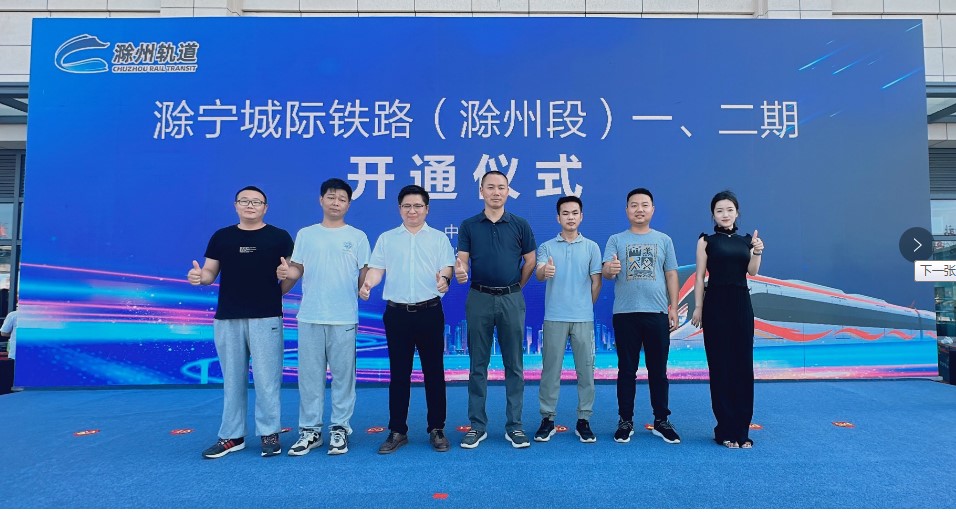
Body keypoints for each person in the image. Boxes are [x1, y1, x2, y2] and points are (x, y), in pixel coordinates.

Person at [188, 186, 294, 459]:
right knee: (232, 380)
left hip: (267, 316)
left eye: (256, 202)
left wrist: (285, 275)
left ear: (265, 208)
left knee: (267, 380)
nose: (250, 205)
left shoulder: (279, 237)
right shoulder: (222, 237)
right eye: (244, 201)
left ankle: (269, 432)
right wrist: (200, 278)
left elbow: (289, 273)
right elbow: (209, 272)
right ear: (235, 205)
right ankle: (232, 436)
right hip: (228, 317)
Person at [277, 178, 370, 456]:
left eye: (342, 199)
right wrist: (286, 274)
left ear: (348, 204)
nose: (336, 203)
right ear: (321, 200)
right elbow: (297, 269)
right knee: (309, 377)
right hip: (310, 316)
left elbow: (365, 272)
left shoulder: (357, 236)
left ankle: (340, 428)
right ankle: (310, 431)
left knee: (343, 377)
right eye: (331, 197)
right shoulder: (307, 234)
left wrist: (365, 287)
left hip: (344, 317)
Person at [360, 185, 455, 454]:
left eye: (417, 206)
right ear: (399, 209)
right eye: (407, 206)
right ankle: (397, 430)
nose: (412, 211)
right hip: (397, 314)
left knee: (434, 372)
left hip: (429, 311)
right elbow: (377, 269)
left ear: (427, 209)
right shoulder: (387, 238)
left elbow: (447, 266)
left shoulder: (438, 238)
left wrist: (444, 279)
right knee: (399, 373)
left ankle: (437, 428)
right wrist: (369, 283)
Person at [455, 170, 537, 449]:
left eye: (501, 187)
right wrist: (461, 271)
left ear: (508, 191)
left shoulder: (520, 224)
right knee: (478, 365)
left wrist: (515, 287)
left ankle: (515, 426)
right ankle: (477, 426)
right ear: (481, 191)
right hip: (479, 297)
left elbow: (530, 261)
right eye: (490, 187)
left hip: (511, 299)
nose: (496, 192)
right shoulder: (469, 225)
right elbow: (462, 260)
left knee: (514, 365)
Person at [602, 187, 682, 444]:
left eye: (644, 205)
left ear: (652, 209)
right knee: (627, 370)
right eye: (634, 205)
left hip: (657, 313)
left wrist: (673, 307)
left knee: (658, 371)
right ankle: (625, 420)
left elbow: (671, 274)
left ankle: (661, 421)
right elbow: (606, 272)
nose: (639, 209)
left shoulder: (664, 240)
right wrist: (610, 268)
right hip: (625, 314)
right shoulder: (616, 240)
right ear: (627, 210)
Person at [690, 190, 764, 449]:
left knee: (743, 366)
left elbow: (752, 271)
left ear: (737, 213)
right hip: (715, 305)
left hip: (741, 304)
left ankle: (742, 430)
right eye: (719, 210)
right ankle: (724, 430)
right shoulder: (706, 241)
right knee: (720, 367)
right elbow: (699, 276)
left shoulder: (747, 241)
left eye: (729, 210)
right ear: (713, 214)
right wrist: (698, 308)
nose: (725, 214)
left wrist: (757, 251)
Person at [533, 196, 602, 443]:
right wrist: (545, 271)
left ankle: (584, 420)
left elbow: (596, 282)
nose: (570, 217)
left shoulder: (592, 247)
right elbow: (539, 274)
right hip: (554, 317)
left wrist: (584, 307)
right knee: (550, 371)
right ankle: (547, 419)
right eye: (565, 213)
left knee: (586, 371)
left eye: (574, 213)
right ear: (558, 218)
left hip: (583, 319)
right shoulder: (547, 247)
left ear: (581, 216)